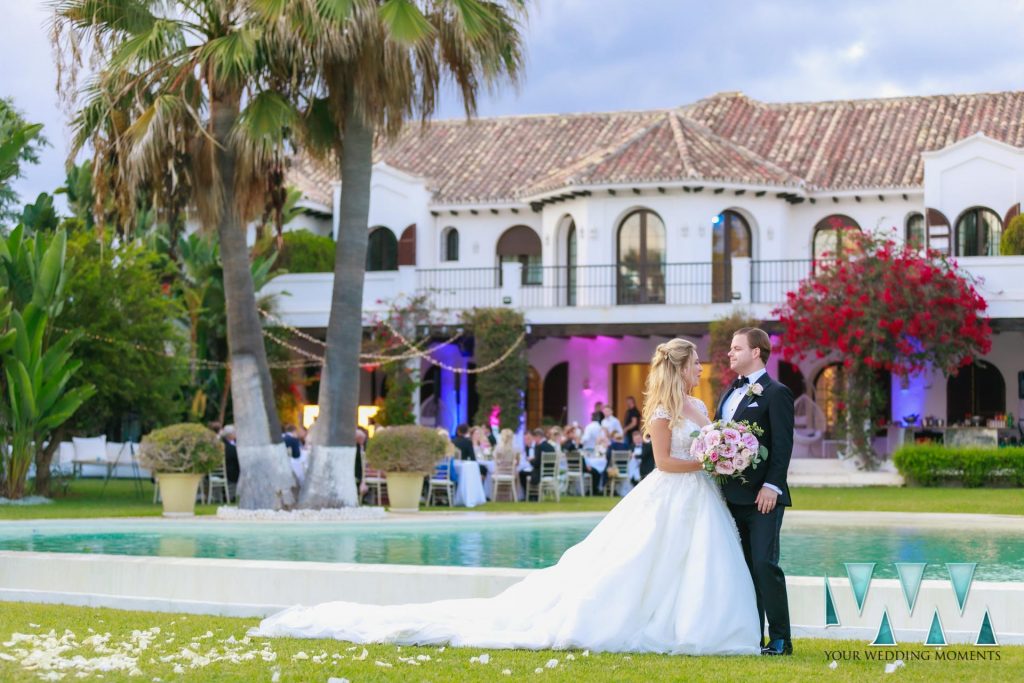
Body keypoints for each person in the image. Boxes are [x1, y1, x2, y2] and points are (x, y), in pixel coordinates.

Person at [253, 338, 759, 655]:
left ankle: (695, 623)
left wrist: (718, 456)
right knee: (643, 563)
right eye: (695, 363)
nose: (701, 369)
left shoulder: (697, 403)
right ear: (680, 367)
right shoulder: (661, 414)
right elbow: (667, 462)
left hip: (700, 496)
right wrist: (708, 461)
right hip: (674, 490)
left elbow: (706, 438)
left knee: (693, 565)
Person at [716, 327, 795, 657]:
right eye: (731, 348)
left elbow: (782, 445)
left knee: (764, 564)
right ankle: (751, 635)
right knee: (743, 567)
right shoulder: (728, 393)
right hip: (728, 497)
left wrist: (771, 486)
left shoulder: (776, 393)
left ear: (757, 352)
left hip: (763, 498)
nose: (730, 353)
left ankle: (780, 639)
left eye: (737, 348)